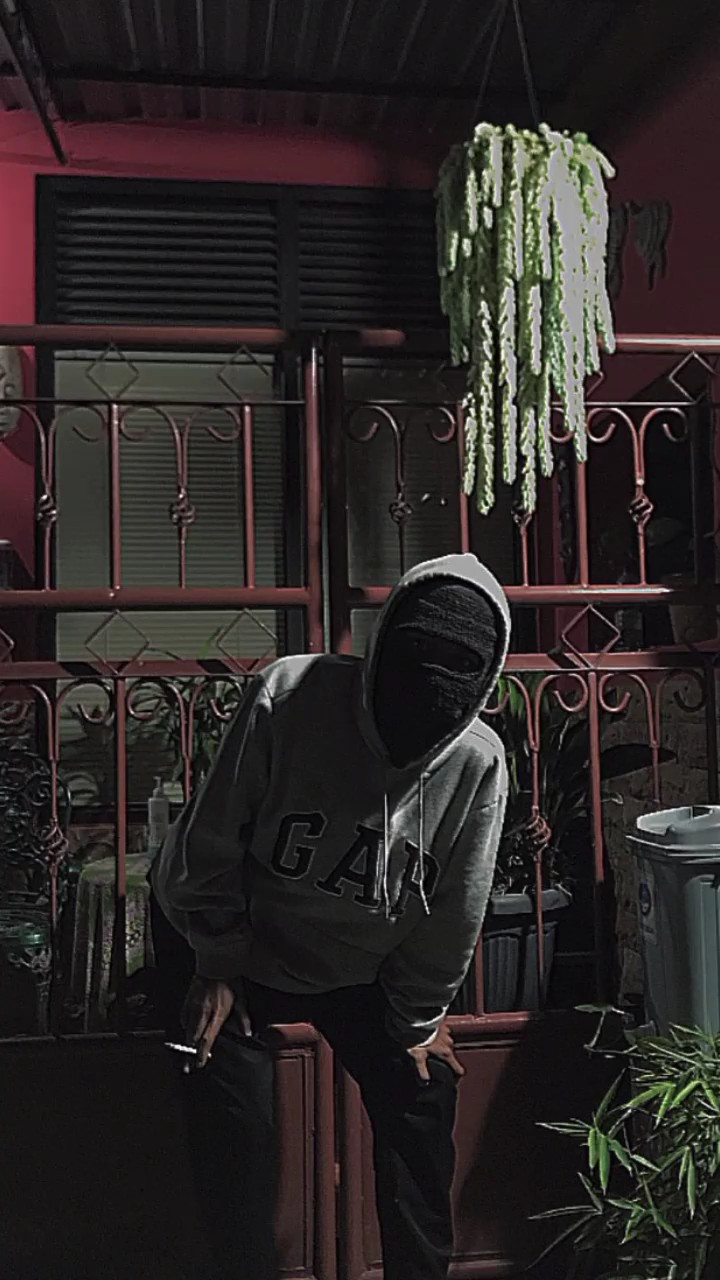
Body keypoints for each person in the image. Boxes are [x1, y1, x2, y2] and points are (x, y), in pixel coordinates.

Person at [151, 552, 510, 1280]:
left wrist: (416, 1021)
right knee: (235, 1126)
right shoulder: (290, 696)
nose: (429, 686)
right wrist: (215, 960)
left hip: (357, 964)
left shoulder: (477, 763)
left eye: (457, 669)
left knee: (423, 1094)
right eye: (415, 658)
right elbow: (209, 840)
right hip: (233, 937)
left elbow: (455, 909)